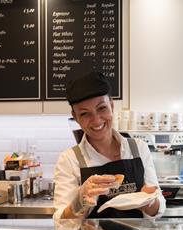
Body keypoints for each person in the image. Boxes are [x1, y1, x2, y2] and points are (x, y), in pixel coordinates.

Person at [53, 71, 165, 220]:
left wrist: (149, 203)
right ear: (75, 117)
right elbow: (62, 221)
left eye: (102, 108)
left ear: (111, 105)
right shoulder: (69, 160)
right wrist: (80, 201)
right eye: (85, 114)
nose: (96, 120)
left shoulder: (138, 148)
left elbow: (157, 210)